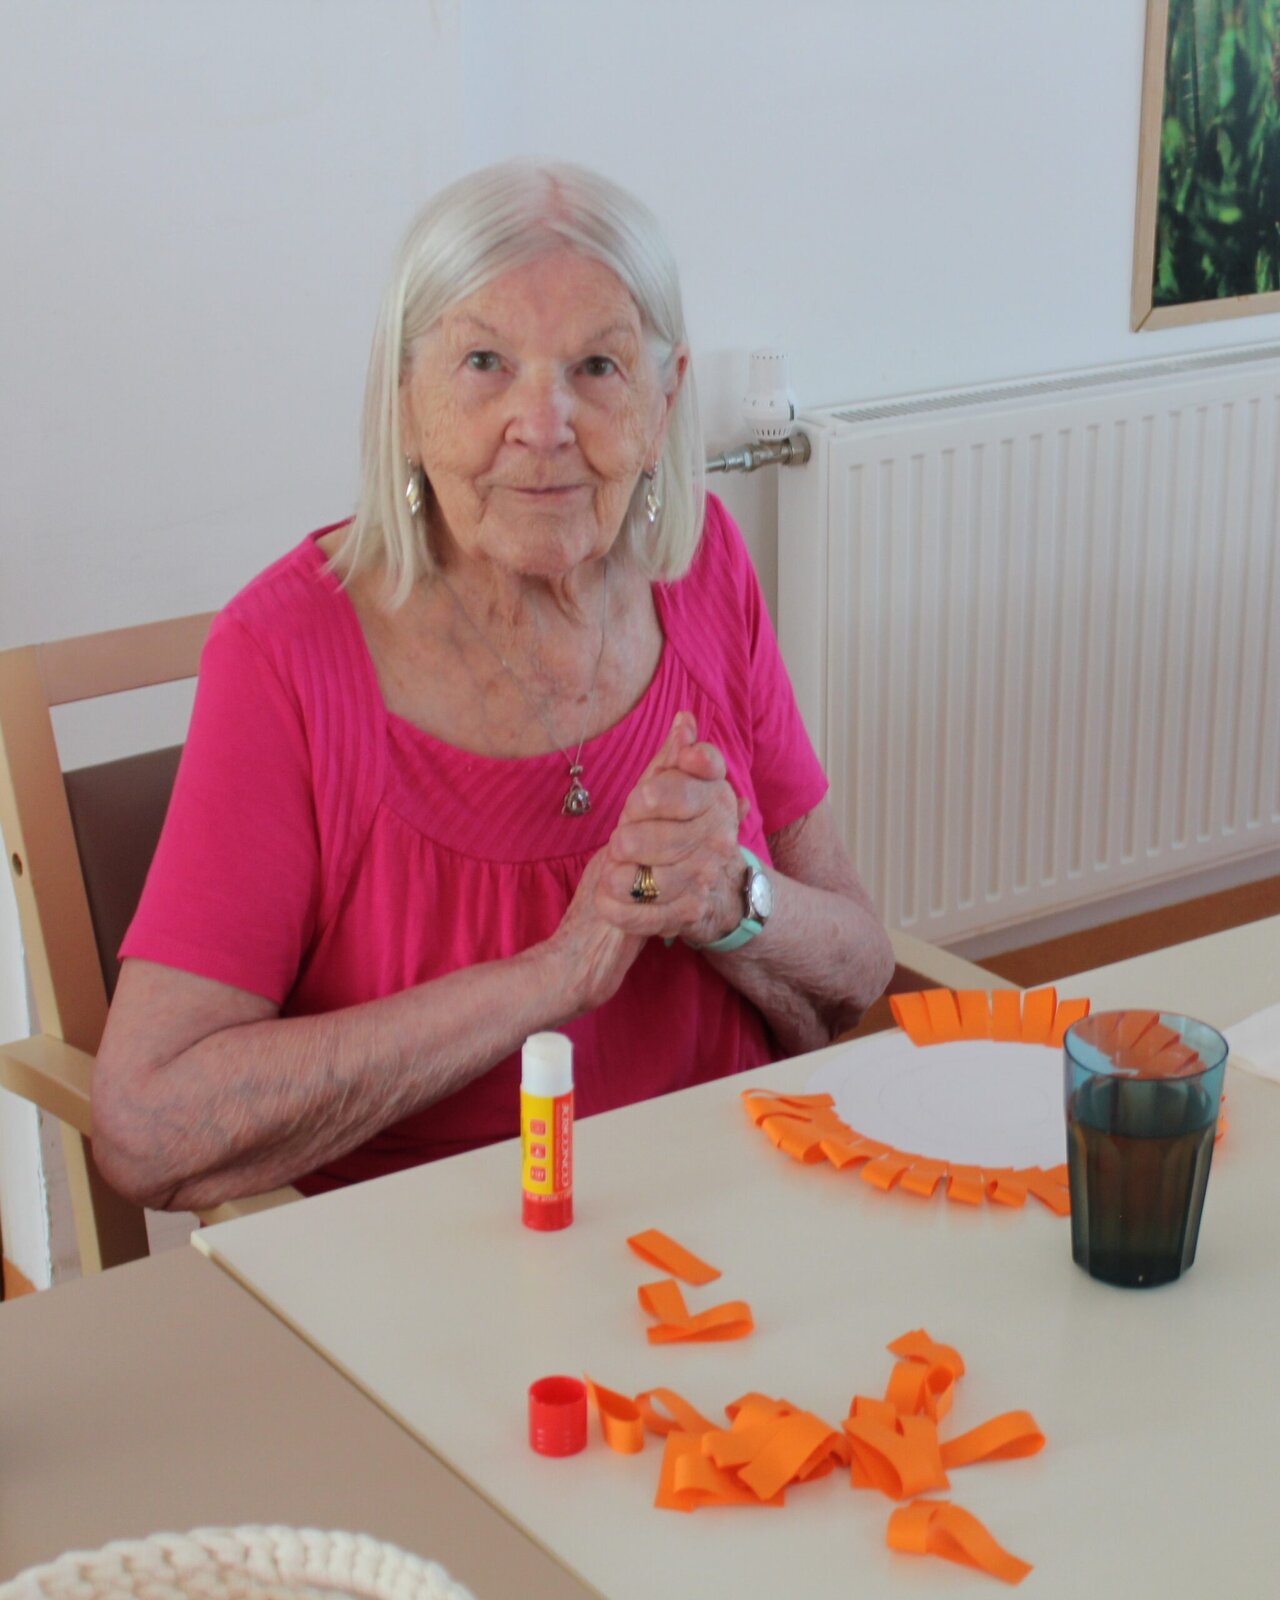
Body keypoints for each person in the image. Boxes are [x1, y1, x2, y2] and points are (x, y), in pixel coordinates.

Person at [92, 160, 894, 1212]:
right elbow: (148, 1125)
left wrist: (731, 896)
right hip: (447, 1259)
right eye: (483, 361)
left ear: (664, 399)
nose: (543, 424)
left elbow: (860, 967)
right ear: (404, 396)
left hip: (738, 1208)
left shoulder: (702, 574)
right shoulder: (283, 654)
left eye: (597, 366)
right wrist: (555, 975)